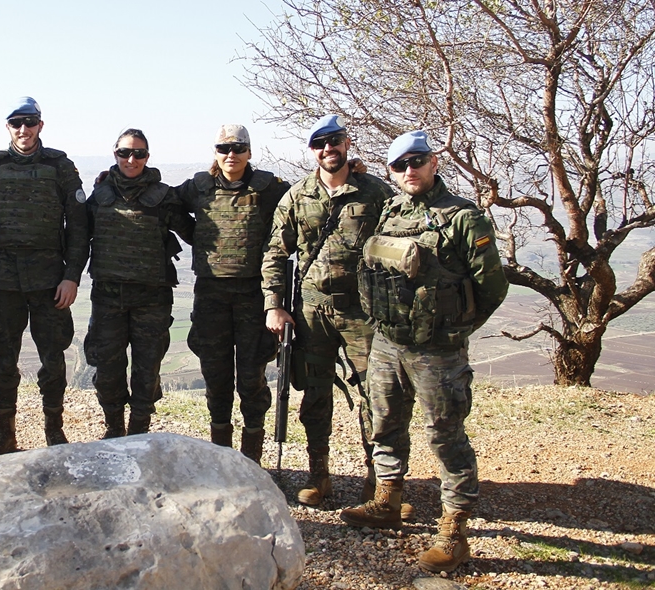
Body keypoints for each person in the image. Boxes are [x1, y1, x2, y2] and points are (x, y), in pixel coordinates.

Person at [339, 131, 508, 574]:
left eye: (417, 161)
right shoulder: (391, 210)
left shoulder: (462, 218)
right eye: (400, 165)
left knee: (445, 435)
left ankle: (454, 530)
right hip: (388, 344)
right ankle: (388, 501)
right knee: (385, 424)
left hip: (438, 351)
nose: (409, 171)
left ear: (434, 163)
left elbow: (492, 286)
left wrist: (455, 330)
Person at [263, 115, 408, 514]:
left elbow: (399, 243)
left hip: (363, 311)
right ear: (312, 151)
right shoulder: (297, 196)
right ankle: (318, 475)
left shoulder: (375, 191)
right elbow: (276, 252)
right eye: (320, 144)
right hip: (311, 312)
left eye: (335, 141)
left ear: (346, 144)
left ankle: (378, 481)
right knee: (314, 392)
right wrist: (275, 305)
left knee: (375, 394)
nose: (328, 149)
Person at [0, 97, 87, 456]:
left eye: (29, 122)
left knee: (53, 358)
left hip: (50, 279)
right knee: (3, 357)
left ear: (40, 125)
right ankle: (6, 433)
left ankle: (54, 432)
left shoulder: (60, 167)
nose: (23, 129)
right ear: (7, 127)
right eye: (16, 123)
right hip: (3, 278)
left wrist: (72, 276)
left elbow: (78, 227)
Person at [175, 125, 290, 463]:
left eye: (238, 148)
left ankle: (252, 460)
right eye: (224, 148)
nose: (231, 154)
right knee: (216, 375)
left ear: (249, 152)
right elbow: (165, 202)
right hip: (210, 293)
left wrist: (351, 170)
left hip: (254, 295)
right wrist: (196, 236)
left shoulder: (269, 188)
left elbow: (308, 198)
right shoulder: (198, 187)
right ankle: (221, 460)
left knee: (252, 377)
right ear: (215, 152)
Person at [84, 129, 194, 437]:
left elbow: (195, 234)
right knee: (107, 371)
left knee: (147, 373)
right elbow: (79, 238)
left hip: (152, 300)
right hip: (107, 298)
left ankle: (138, 434)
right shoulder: (100, 195)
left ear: (147, 156)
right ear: (115, 153)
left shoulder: (163, 196)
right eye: (125, 153)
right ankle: (113, 431)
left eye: (139, 154)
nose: (131, 159)